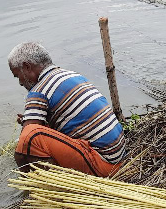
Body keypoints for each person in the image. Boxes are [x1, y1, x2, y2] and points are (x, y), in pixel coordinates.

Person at [8, 42, 125, 176]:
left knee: (29, 137)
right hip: (119, 159)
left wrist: (28, 125)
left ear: (27, 67)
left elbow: (26, 139)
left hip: (104, 166)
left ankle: (35, 187)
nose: (20, 82)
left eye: (18, 76)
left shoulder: (39, 91)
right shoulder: (72, 75)